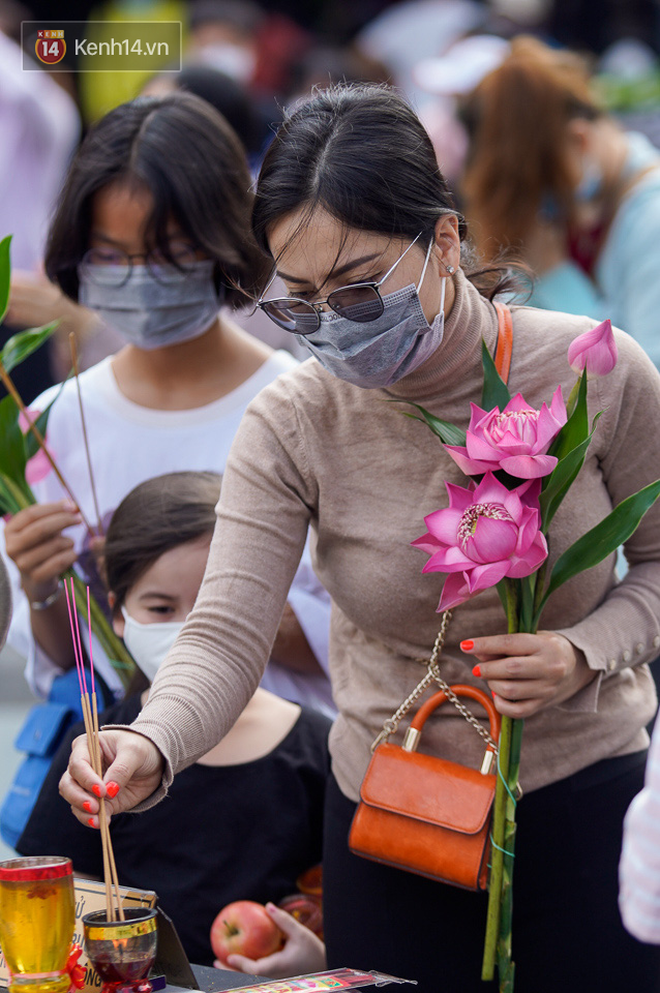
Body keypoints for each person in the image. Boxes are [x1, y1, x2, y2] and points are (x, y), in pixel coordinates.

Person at [59, 83, 660, 992]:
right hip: (394, 812)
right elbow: (225, 631)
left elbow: (654, 562)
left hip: (584, 804)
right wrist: (152, 742)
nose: (332, 327)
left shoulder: (590, 372)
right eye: (298, 303)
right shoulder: (294, 417)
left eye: (358, 288)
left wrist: (584, 650)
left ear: (444, 240)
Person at [0, 91, 333, 715]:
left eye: (169, 253)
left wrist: (191, 597)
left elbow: (367, 642)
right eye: (110, 255)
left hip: (285, 784)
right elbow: (63, 666)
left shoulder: (311, 412)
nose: (140, 277)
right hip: (116, 792)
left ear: (225, 238)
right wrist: (42, 585)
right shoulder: (49, 424)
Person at [18, 471, 330, 973]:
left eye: (213, 609)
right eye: (161, 607)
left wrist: (313, 963)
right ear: (118, 614)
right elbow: (46, 899)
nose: (190, 632)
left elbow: (346, 912)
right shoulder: (97, 751)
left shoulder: (321, 747)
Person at [459, 35, 660, 368]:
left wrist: (556, 278)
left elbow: (647, 382)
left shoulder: (650, 220)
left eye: (542, 189)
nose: (544, 210)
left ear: (579, 142)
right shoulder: (590, 202)